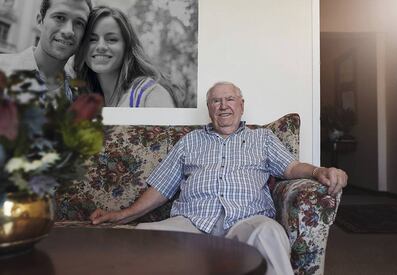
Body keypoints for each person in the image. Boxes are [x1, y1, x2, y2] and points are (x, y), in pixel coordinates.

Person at [90, 82, 348, 275]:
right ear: (209, 108)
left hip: (247, 220)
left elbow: (291, 168)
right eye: (216, 101)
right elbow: (161, 188)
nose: (223, 106)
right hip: (192, 223)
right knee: (146, 236)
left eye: (229, 99)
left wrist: (317, 172)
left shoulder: (263, 139)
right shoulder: (189, 141)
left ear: (241, 104)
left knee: (269, 232)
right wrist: (124, 214)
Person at [74, 6, 176, 108]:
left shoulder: (150, 94)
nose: (101, 46)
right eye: (92, 39)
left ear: (126, 47)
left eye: (111, 39)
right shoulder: (83, 99)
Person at [0, 0, 92, 102]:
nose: (68, 31)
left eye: (79, 23)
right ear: (40, 21)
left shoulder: (81, 94)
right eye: (60, 18)